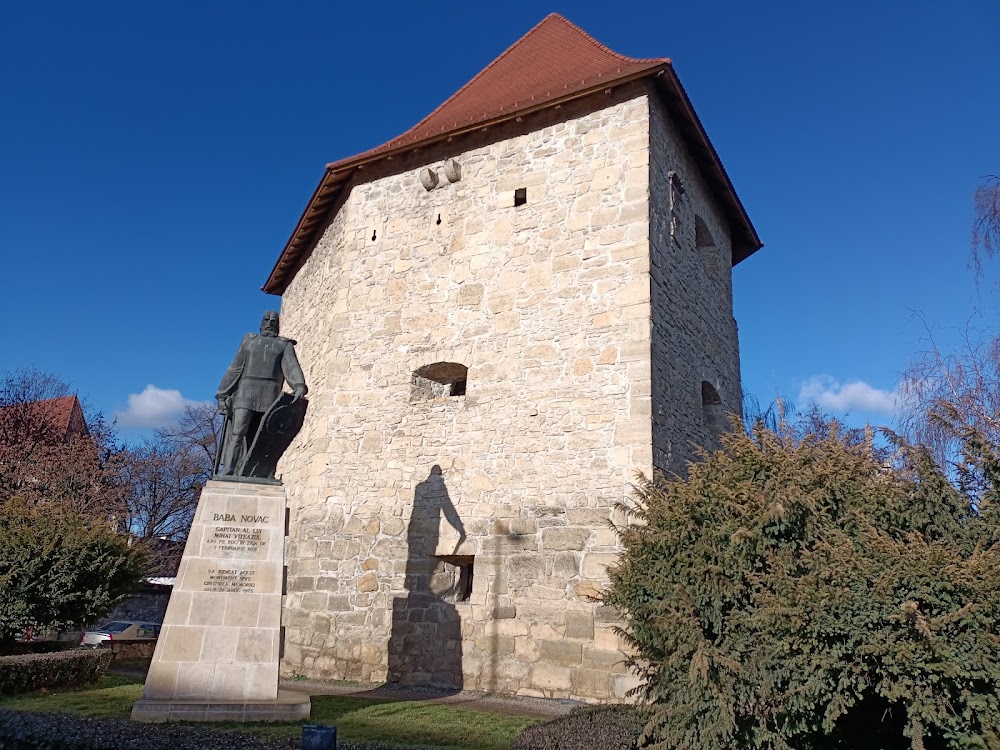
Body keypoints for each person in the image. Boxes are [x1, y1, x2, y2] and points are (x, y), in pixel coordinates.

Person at [216, 311, 307, 475]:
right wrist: (222, 393)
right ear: (261, 322)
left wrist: (299, 385)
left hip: (270, 394)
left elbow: (291, 366)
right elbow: (235, 368)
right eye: (266, 319)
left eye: (273, 320)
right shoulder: (249, 342)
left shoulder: (284, 345)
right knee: (237, 433)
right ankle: (228, 471)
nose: (270, 323)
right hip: (246, 392)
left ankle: (264, 473)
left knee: (266, 438)